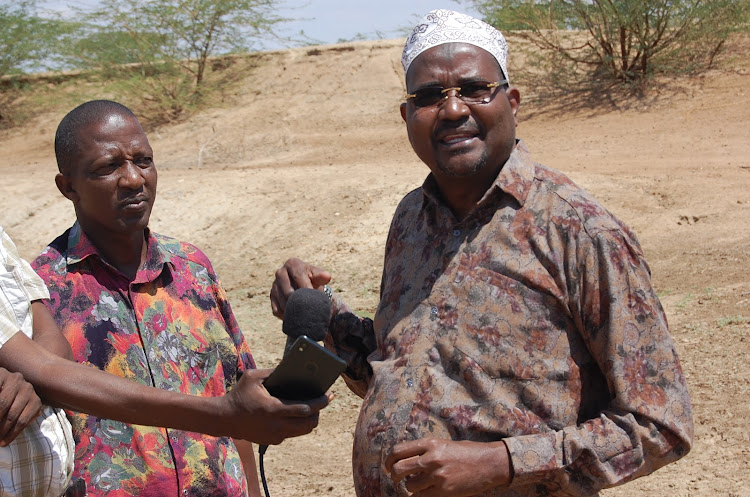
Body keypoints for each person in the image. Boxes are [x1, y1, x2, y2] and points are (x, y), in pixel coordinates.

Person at [270, 9, 693, 497]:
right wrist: (321, 314)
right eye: (429, 97)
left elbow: (661, 424)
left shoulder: (578, 229)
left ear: (511, 102)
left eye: (475, 89)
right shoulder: (411, 219)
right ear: (407, 117)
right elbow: (401, 371)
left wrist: (503, 462)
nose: (452, 110)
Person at [31, 100, 329, 497]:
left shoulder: (192, 269)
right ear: (67, 186)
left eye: (144, 161)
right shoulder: (39, 291)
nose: (134, 179)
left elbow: (235, 399)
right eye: (109, 167)